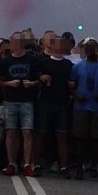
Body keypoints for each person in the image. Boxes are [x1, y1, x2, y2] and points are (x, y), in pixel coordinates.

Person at [0, 32, 41, 177]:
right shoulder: (6, 61)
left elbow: (39, 78)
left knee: (27, 132)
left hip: (27, 101)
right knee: (11, 131)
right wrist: (8, 84)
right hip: (10, 100)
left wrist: (32, 83)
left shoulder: (31, 60)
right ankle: (11, 163)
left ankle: (27, 163)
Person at [70, 39, 98, 180]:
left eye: (93, 48)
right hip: (81, 107)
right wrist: (77, 95)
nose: (91, 51)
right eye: (89, 48)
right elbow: (71, 85)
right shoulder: (77, 67)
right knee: (79, 139)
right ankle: (79, 169)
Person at [37, 35, 75, 178]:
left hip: (62, 104)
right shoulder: (43, 63)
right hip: (46, 102)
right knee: (41, 134)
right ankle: (36, 164)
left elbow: (72, 82)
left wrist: (72, 86)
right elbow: (36, 74)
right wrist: (40, 77)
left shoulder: (68, 65)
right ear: (51, 47)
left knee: (62, 136)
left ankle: (64, 166)